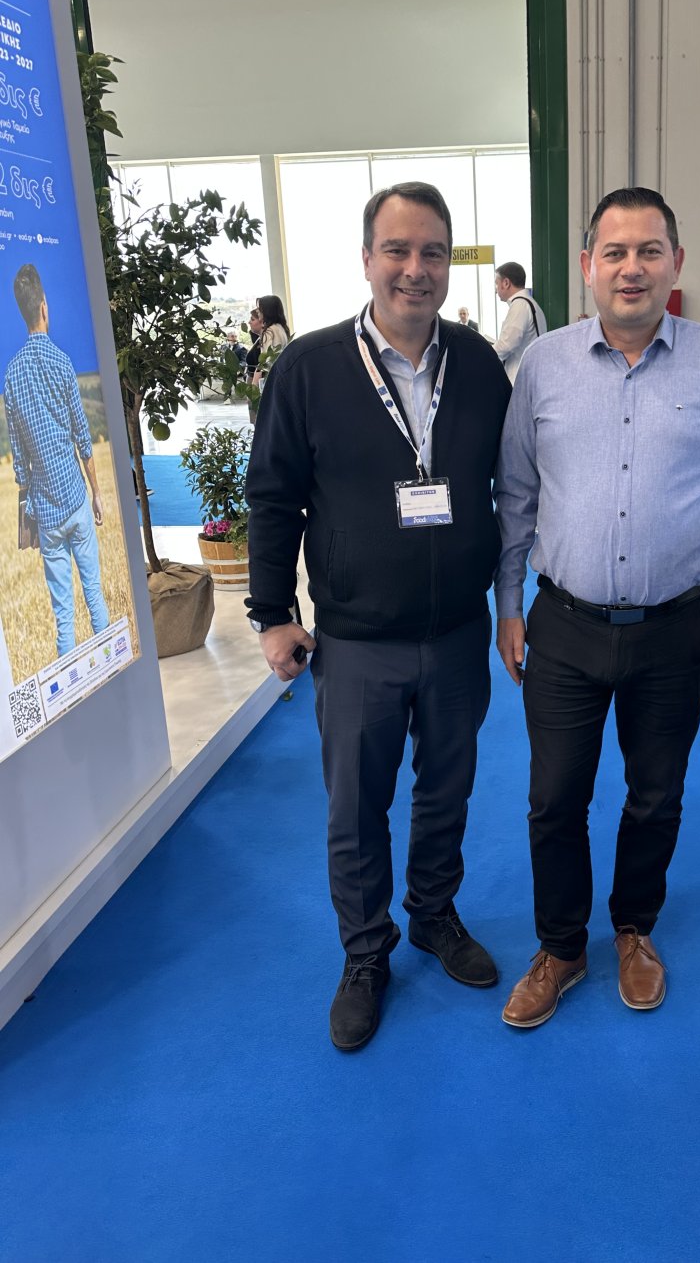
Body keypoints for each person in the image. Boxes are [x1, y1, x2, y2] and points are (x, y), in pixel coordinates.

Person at [493, 186, 700, 1028]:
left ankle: (633, 929)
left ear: (675, 263)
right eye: (615, 252)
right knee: (555, 798)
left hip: (673, 627)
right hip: (562, 622)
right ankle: (561, 946)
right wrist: (507, 604)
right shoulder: (544, 365)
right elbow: (515, 494)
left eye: (649, 251)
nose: (632, 268)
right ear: (588, 265)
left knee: (656, 793)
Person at [245, 182, 511, 1053]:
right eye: (397, 249)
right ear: (367, 259)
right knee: (356, 807)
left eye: (432, 251)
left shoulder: (478, 366)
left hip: (458, 630)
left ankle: (433, 911)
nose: (414, 268)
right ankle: (366, 953)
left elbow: (509, 484)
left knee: (447, 787)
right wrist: (273, 612)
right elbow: (273, 496)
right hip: (357, 639)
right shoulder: (310, 368)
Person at [3, 263, 109, 657]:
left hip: (45, 513)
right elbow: (84, 438)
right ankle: (108, 668)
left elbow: (18, 460)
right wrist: (96, 493)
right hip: (76, 500)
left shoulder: (11, 376)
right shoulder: (63, 362)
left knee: (63, 616)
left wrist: (27, 505)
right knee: (94, 593)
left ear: (23, 311)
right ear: (44, 307)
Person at [494, 261, 547, 383]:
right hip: (530, 377)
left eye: (496, 284)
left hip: (519, 379)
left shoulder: (520, 305)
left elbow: (506, 345)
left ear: (506, 283)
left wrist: (482, 354)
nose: (495, 290)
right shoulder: (530, 304)